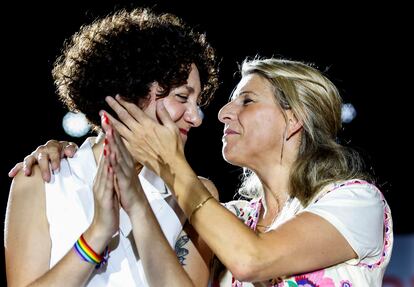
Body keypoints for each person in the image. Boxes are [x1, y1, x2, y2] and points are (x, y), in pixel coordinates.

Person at [13, 57, 393, 286]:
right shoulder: (226, 217)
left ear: (293, 121)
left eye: (246, 101)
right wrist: (132, 198)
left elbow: (251, 260)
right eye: (229, 102)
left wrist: (172, 164)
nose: (222, 114)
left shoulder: (354, 201)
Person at [4, 7, 219, 286]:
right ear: (130, 91)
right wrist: (97, 234)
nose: (194, 117)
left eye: (197, 103)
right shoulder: (42, 180)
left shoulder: (196, 194)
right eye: (182, 97)